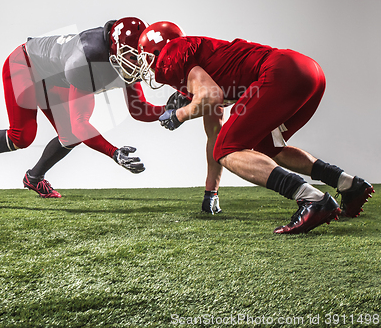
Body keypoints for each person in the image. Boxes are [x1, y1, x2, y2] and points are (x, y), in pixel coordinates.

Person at [133, 21, 374, 234]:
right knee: (266, 148)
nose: (142, 65)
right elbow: (215, 136)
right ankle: (348, 184)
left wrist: (179, 114)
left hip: (280, 73)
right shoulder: (204, 67)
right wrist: (211, 191)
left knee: (228, 149)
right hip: (307, 71)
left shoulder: (176, 58)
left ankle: (312, 199)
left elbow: (211, 97)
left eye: (143, 56)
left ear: (159, 51)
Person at [0, 17, 166, 199]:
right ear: (115, 52)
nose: (136, 64)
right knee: (22, 136)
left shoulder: (124, 57)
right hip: (25, 64)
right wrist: (114, 153)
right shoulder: (86, 58)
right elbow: (80, 124)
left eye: (139, 57)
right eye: (131, 57)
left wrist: (170, 110)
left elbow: (139, 110)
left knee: (69, 136)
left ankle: (34, 177)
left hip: (54, 76)